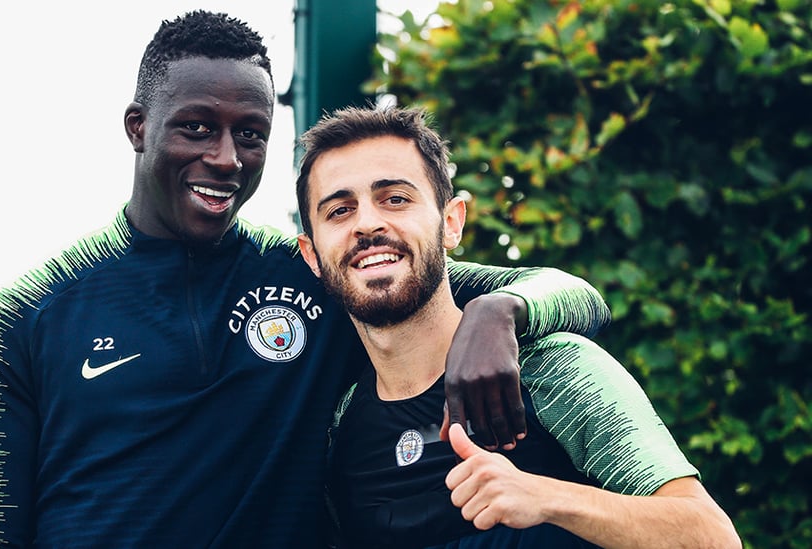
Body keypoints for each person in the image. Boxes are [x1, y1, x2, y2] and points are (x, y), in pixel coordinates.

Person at [0, 11, 612, 548]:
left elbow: (574, 294)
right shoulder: (24, 316)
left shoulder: (314, 271)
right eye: (198, 128)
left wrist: (499, 311)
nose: (227, 158)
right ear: (138, 127)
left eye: (253, 134)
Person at [294, 105, 741, 548]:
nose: (368, 223)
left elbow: (712, 537)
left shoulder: (552, 368)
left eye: (395, 199)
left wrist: (546, 497)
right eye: (339, 211)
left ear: (451, 223)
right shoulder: (341, 422)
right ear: (311, 254)